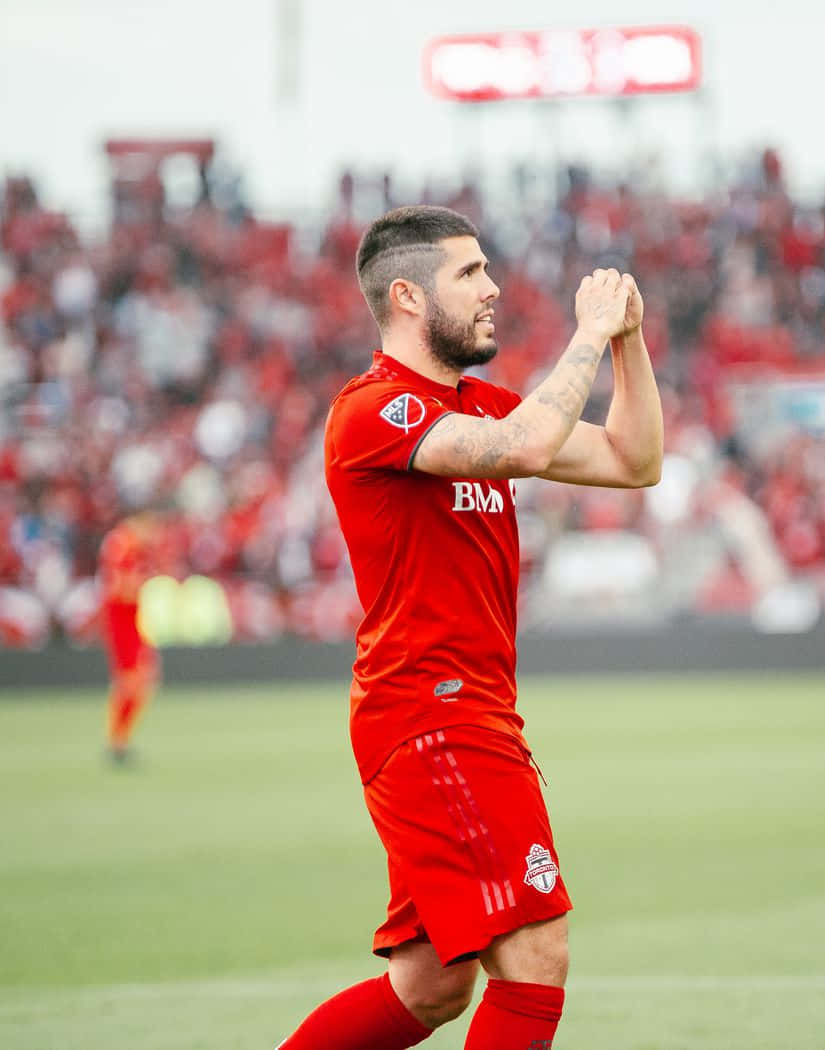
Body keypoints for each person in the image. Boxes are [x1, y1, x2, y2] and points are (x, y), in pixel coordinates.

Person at [279, 205, 662, 1050]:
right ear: (409, 297)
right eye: (471, 274)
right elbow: (523, 447)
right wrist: (589, 335)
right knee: (535, 952)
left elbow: (636, 463)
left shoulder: (476, 404)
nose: (493, 289)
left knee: (432, 982)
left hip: (463, 714)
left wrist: (629, 339)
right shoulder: (374, 408)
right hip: (431, 716)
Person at [98, 512, 161, 764]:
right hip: (120, 619)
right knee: (131, 680)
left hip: (131, 619)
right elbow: (119, 587)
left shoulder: (134, 547)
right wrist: (140, 581)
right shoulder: (121, 545)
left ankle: (120, 739)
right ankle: (117, 741)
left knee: (143, 678)